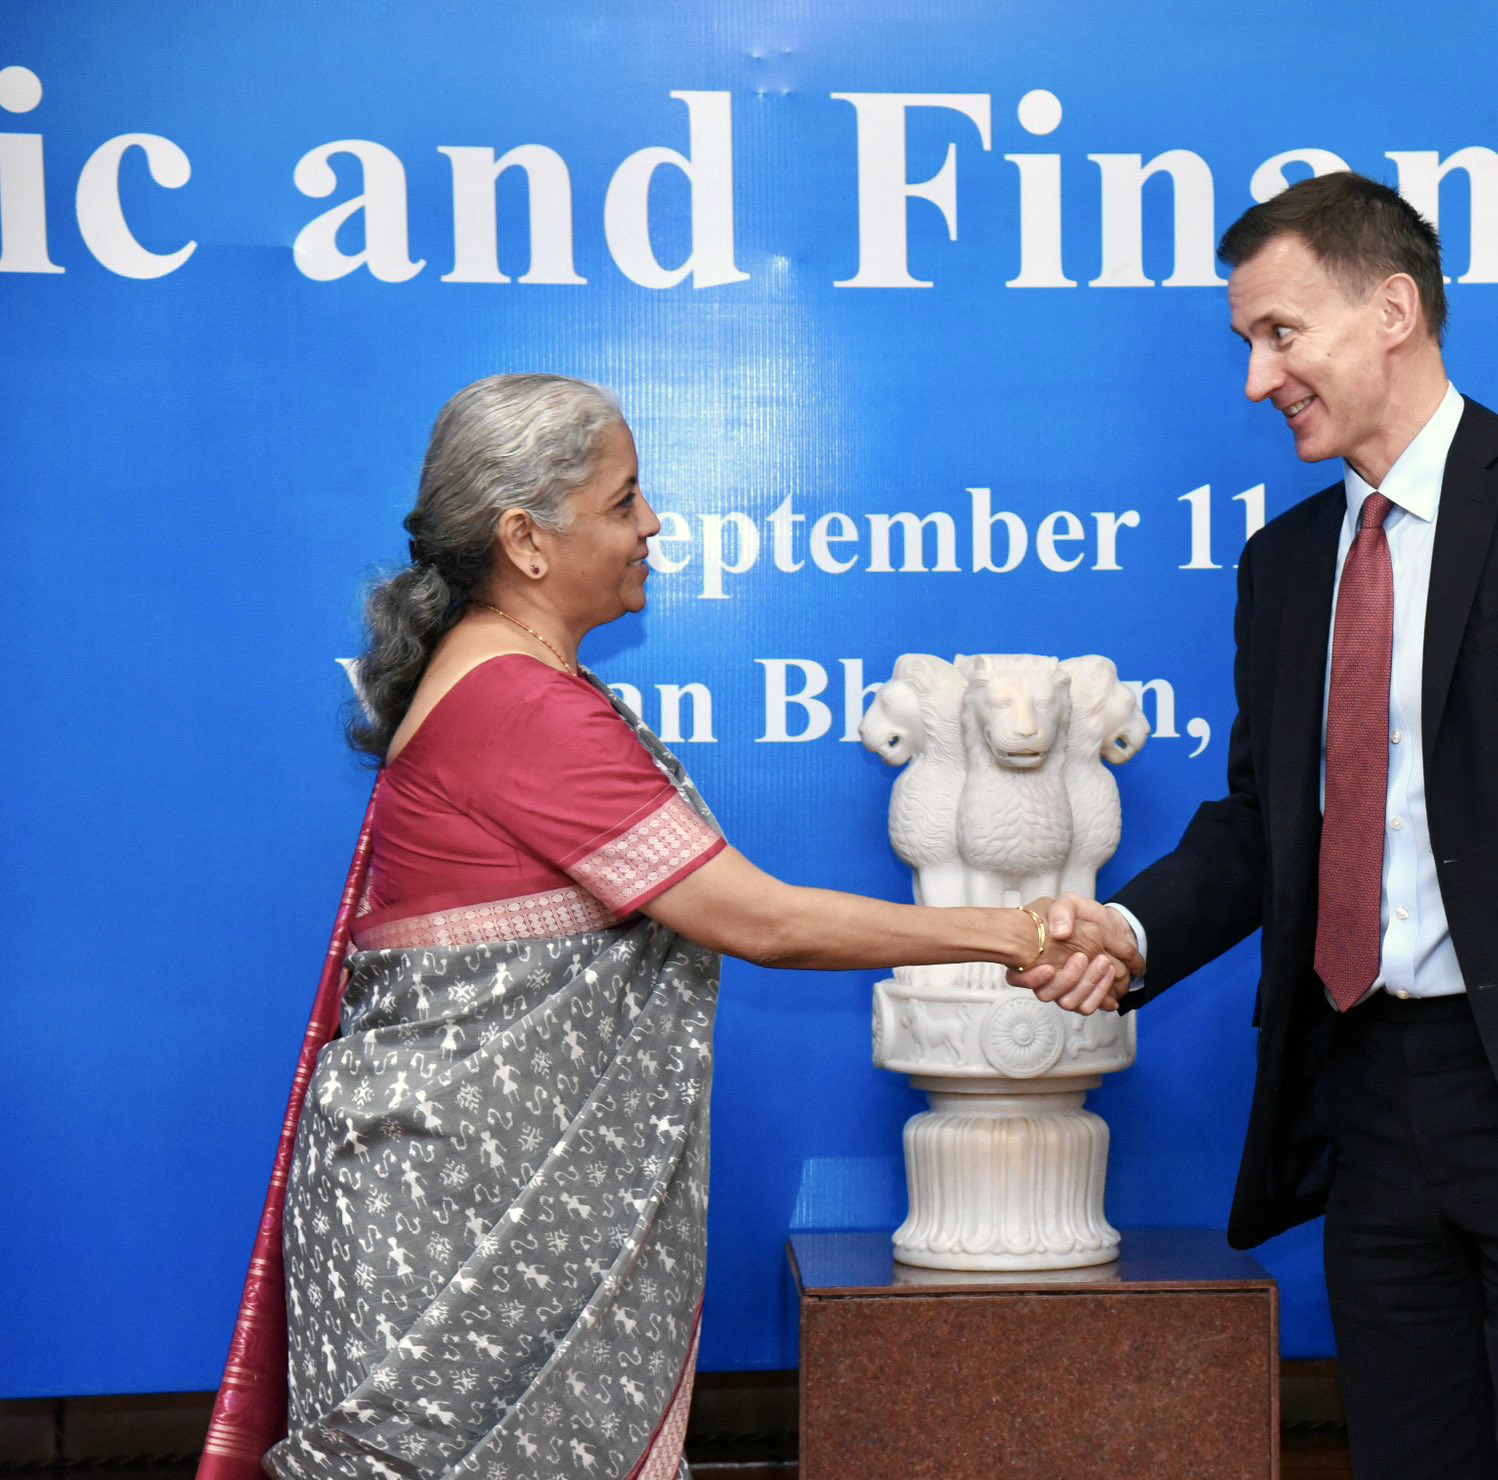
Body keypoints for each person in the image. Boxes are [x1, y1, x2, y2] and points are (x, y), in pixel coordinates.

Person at [197, 373, 1129, 1480]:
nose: (651, 525)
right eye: (624, 499)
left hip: (462, 1230)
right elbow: (763, 920)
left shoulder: (512, 681)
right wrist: (1022, 934)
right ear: (525, 540)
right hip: (452, 1250)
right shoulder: (518, 704)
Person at [1014, 173, 1498, 1478]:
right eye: (1246, 344)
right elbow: (1271, 824)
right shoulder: (1285, 565)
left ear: (1392, 308)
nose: (1260, 381)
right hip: (1369, 1097)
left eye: (1279, 334)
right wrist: (1134, 928)